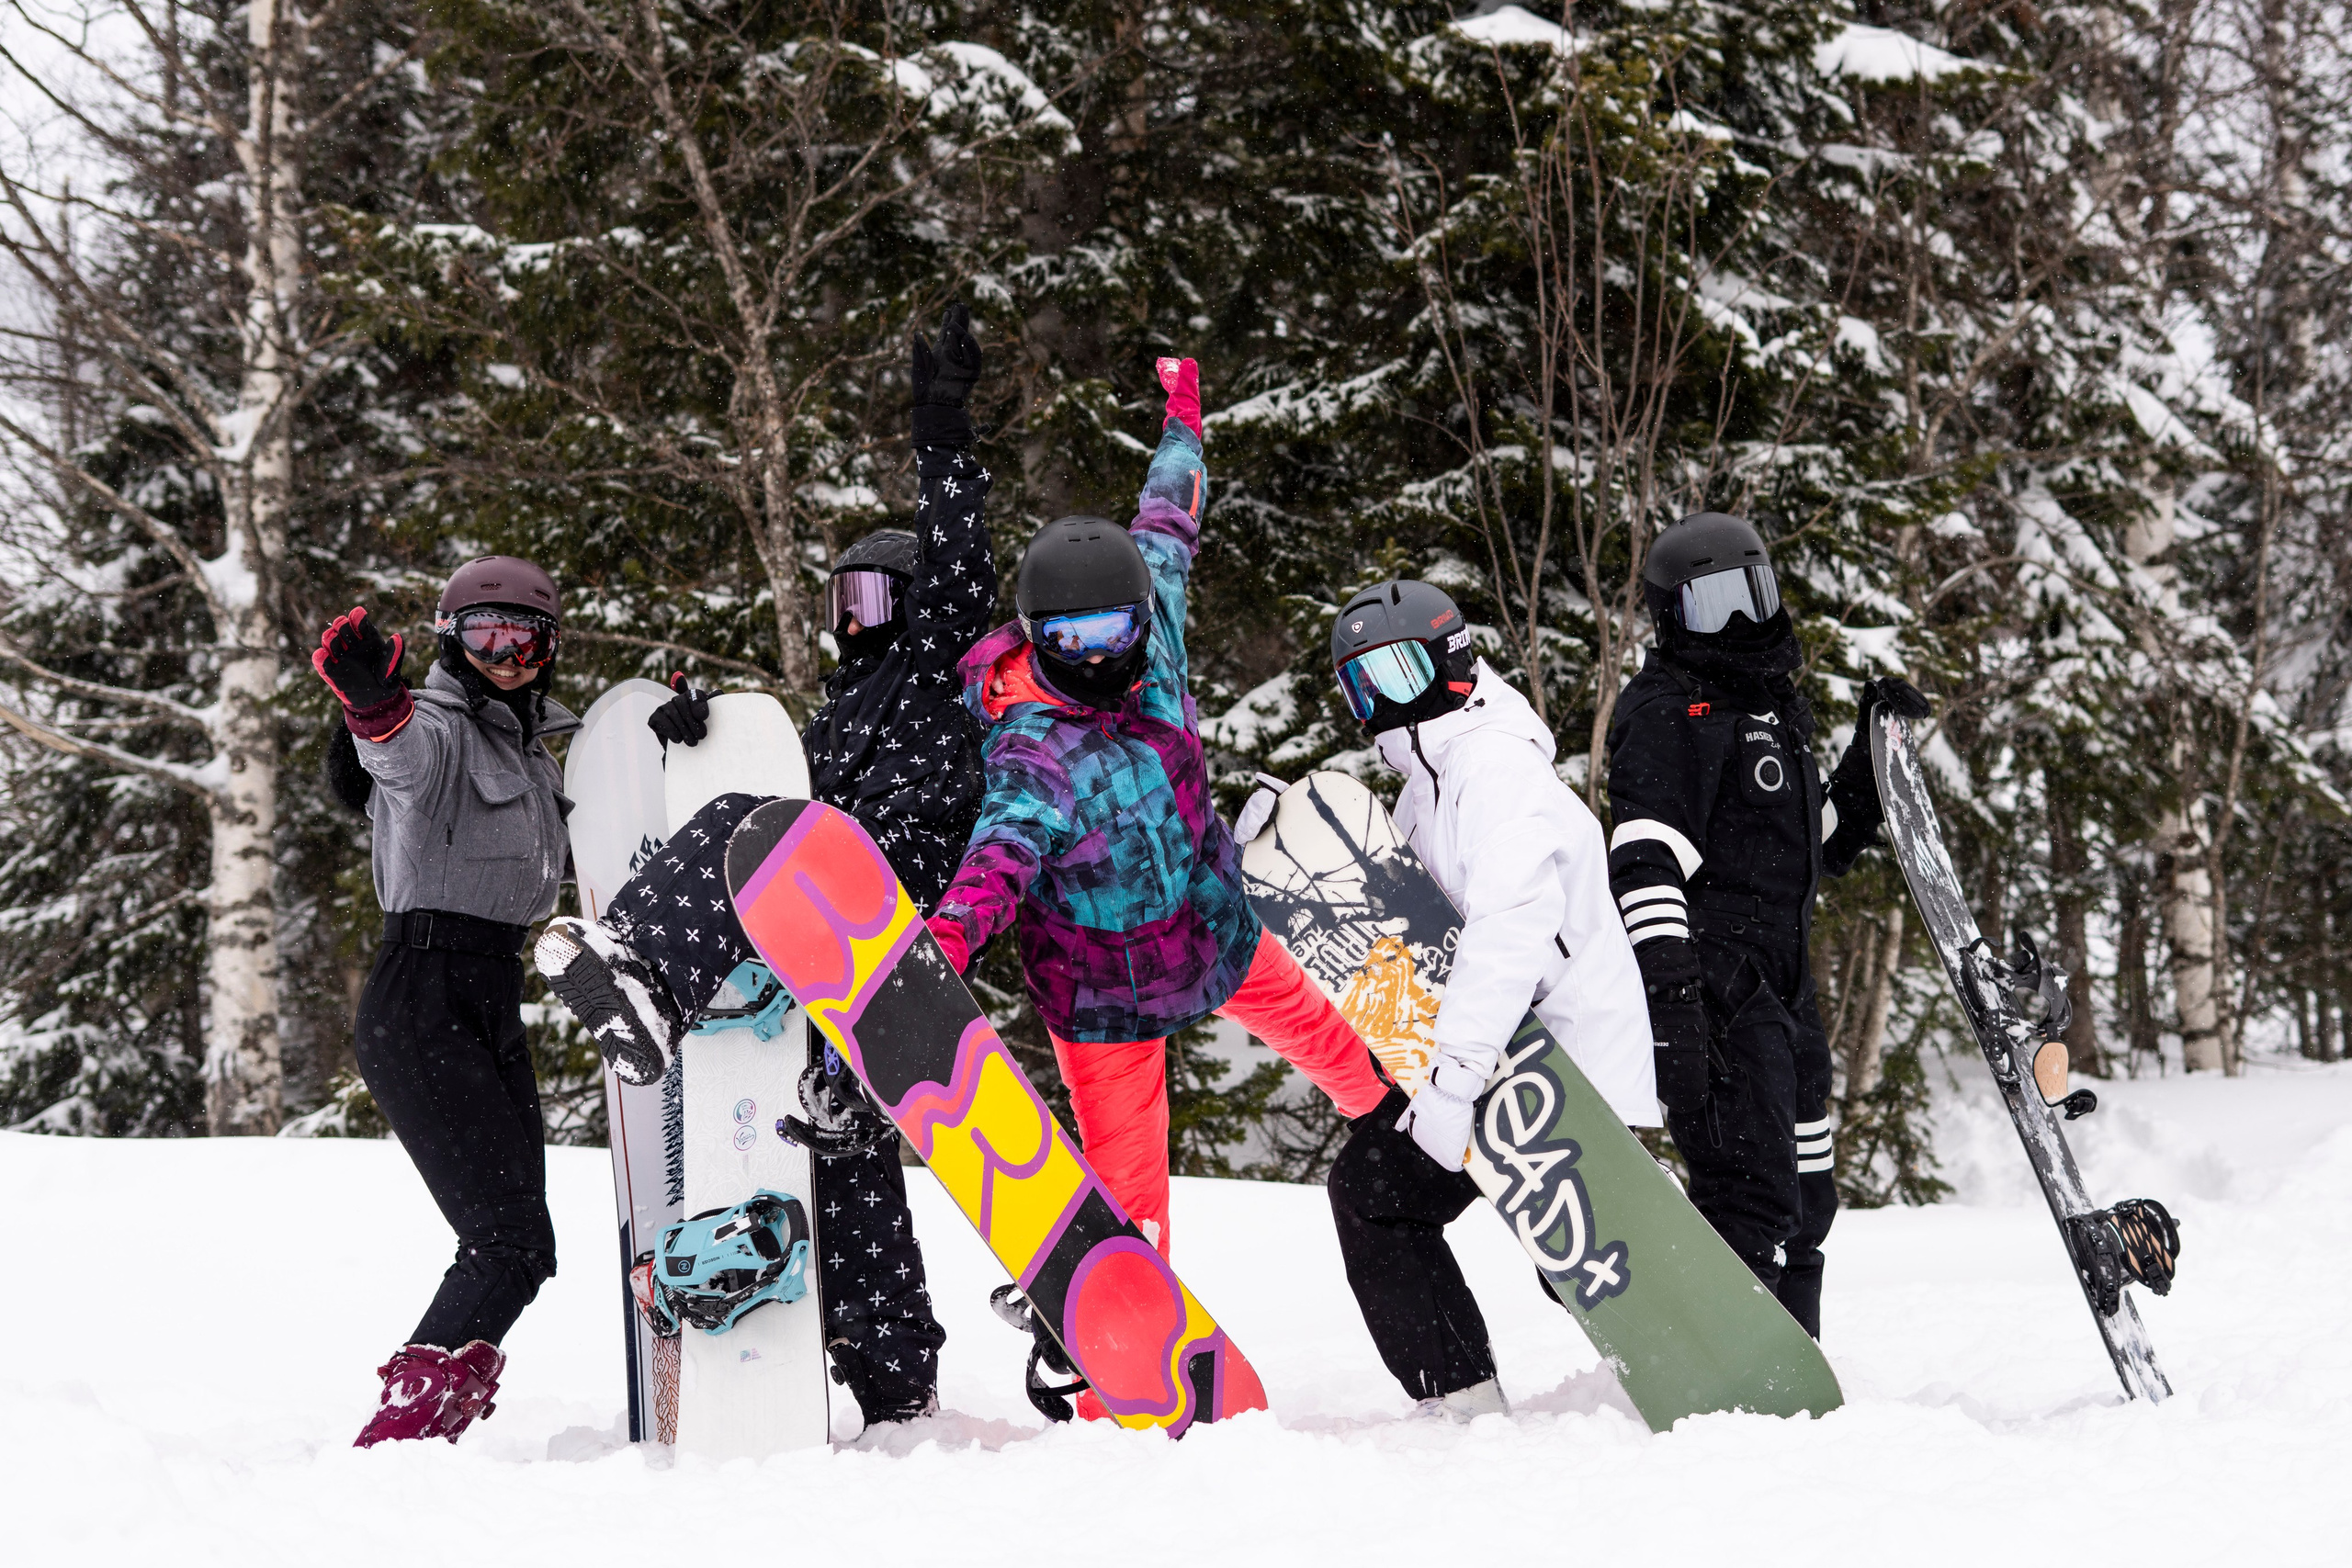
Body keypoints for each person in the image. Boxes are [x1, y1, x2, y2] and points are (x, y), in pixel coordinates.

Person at [532, 302, 995, 1427]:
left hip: (895, 892)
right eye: (846, 600)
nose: (858, 619)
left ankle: (642, 966)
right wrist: (703, 742)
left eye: (876, 597)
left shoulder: (936, 674)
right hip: (851, 945)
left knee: (753, 825)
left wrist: (944, 439)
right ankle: (898, 1383)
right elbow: (776, 768)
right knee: (836, 1139)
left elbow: (961, 567)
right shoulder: (837, 719)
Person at [922, 357, 1387, 1415]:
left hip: (1213, 934)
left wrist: (1185, 418)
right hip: (1106, 998)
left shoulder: (1157, 622)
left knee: (1331, 1043)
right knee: (1128, 1200)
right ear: (1040, 640)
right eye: (1072, 642)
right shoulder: (1031, 746)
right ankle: (1105, 1370)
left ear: (1138, 617)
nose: (1098, 655)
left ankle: (1412, 1131)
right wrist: (944, 943)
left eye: (1113, 634)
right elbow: (998, 863)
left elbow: (1168, 511)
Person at [1230, 579, 1657, 1417]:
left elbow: (1508, 930)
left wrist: (1452, 1085)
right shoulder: (1429, 781)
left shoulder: (1493, 768)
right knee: (1380, 1195)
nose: (1380, 699)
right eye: (1362, 682)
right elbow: (1403, 935)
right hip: (1506, 1064)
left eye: (1395, 671)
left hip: (1561, 1065)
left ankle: (1657, 1320)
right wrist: (1288, 846)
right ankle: (1461, 1402)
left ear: (1449, 659)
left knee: (1561, 1250)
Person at [1604, 510, 1927, 1337]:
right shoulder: (1666, 710)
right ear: (1674, 615)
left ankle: (1796, 1361)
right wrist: (1675, 1003)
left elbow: (1811, 843)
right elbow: (1644, 863)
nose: (1743, 621)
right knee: (1750, 1197)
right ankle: (1728, 1367)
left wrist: (1867, 762)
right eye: (1717, 605)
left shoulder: (1776, 704)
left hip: (1786, 985)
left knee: (1808, 1195)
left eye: (1755, 594)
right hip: (1716, 988)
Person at [314, 555, 576, 1448]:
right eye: (483, 635)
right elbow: (399, 758)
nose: (504, 653)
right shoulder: (435, 721)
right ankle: (404, 1438)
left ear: (547, 646)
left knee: (523, 1247)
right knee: (506, 1241)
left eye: (522, 636)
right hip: (422, 993)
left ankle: (418, 1428)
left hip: (490, 990)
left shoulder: (530, 747)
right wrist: (371, 705)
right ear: (449, 640)